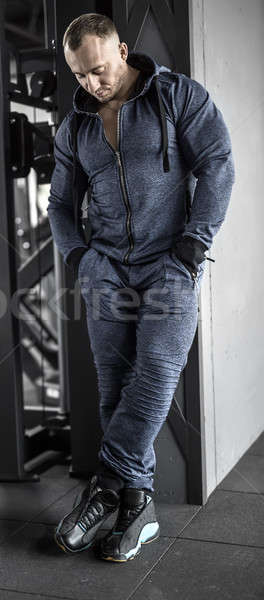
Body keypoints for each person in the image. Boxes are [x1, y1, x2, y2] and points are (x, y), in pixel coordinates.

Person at [47, 13, 235, 562]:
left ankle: (104, 487)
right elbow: (60, 203)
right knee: (114, 384)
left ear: (122, 50)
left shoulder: (177, 97)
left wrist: (194, 245)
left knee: (155, 373)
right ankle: (137, 508)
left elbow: (218, 163)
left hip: (168, 265)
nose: (91, 84)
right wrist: (79, 257)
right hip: (105, 268)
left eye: (98, 71)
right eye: (79, 75)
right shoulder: (75, 127)